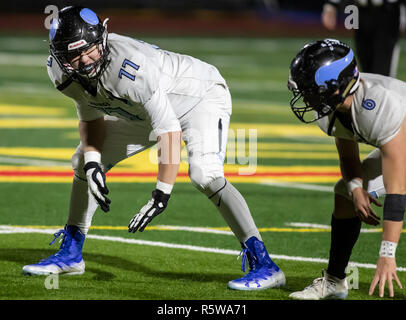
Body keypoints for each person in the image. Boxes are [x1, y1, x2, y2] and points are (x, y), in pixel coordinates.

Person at [22, 6, 286, 291]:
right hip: (140, 111)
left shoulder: (131, 66)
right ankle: (71, 253)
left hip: (198, 98)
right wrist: (94, 162)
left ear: (103, 37)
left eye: (90, 51)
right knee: (82, 160)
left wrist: (161, 193)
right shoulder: (60, 73)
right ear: (60, 57)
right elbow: (90, 119)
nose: (85, 62)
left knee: (205, 176)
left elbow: (168, 131)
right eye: (75, 56)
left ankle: (265, 265)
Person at [287, 38, 404, 299]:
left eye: (309, 88)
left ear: (335, 86)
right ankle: (335, 281)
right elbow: (349, 159)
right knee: (343, 192)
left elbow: (397, 190)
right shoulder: (336, 106)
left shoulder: (381, 106)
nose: (305, 95)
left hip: (402, 149)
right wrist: (356, 189)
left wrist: (386, 256)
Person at [322, 0, 403, 77]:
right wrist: (331, 5)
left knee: (383, 70)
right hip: (360, 11)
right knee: (366, 68)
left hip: (387, 12)